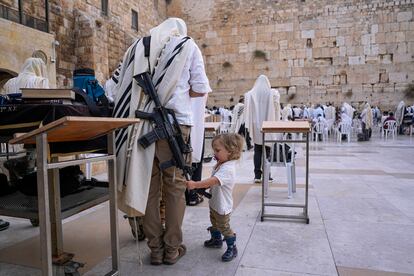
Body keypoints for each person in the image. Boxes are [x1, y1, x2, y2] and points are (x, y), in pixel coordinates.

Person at [112, 18, 211, 265]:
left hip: (141, 127)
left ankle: (155, 249)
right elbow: (200, 88)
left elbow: (118, 86)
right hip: (176, 126)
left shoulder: (137, 47)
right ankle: (172, 249)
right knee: (176, 188)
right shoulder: (187, 46)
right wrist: (175, 91)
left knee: (149, 188)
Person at [1, 57, 50, 231]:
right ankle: (35, 208)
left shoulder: (10, 83)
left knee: (28, 162)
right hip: (34, 129)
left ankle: (18, 168)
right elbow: (48, 105)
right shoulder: (40, 81)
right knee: (37, 168)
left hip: (12, 131)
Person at [186, 133, 244, 262]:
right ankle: (217, 240)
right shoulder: (222, 163)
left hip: (223, 206)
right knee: (214, 221)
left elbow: (213, 181)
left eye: (218, 150)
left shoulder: (228, 169)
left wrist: (195, 184)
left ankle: (232, 247)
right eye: (214, 150)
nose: (215, 153)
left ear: (231, 150)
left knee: (224, 227)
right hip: (215, 203)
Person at [244, 75, 280, 183]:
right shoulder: (273, 93)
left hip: (256, 125)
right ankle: (267, 175)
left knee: (257, 149)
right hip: (268, 124)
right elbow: (277, 107)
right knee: (267, 150)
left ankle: (257, 175)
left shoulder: (251, 94)